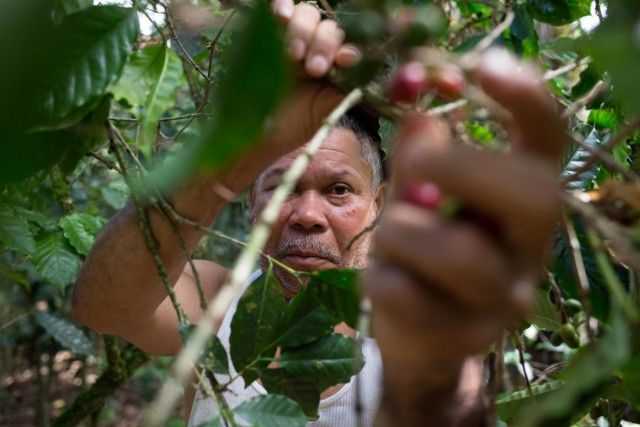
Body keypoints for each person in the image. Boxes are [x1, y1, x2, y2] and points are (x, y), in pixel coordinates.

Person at [71, 1, 567, 426]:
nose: (307, 215)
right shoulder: (215, 304)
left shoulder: (416, 323)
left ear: (381, 203)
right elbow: (104, 305)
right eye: (282, 187)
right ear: (250, 202)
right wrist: (239, 147)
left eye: (338, 190)